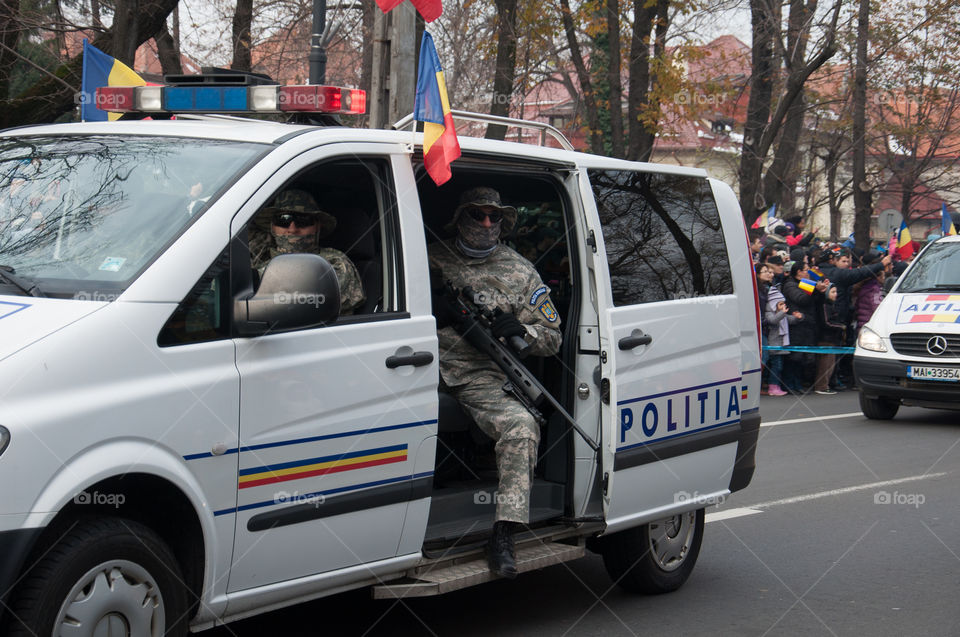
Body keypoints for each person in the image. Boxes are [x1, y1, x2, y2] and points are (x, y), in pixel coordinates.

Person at [429, 186, 562, 579]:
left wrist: (521, 330)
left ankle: (504, 532)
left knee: (521, 426)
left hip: (479, 374)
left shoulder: (520, 271)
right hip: (418, 366)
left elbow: (553, 336)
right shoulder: (430, 257)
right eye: (477, 214)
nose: (487, 224)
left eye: (494, 216)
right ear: (460, 218)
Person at [249, 189, 365, 315]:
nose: (292, 229)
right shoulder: (260, 253)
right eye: (283, 220)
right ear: (272, 227)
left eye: (302, 220)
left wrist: (256, 279)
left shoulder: (335, 263)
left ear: (317, 226)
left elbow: (304, 297)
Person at [813, 284, 845, 395]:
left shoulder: (832, 305)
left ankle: (825, 385)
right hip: (825, 338)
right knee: (825, 364)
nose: (835, 294)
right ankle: (821, 386)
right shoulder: (824, 305)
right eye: (832, 292)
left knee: (830, 364)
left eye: (836, 292)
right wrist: (840, 327)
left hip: (832, 339)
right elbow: (826, 323)